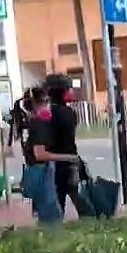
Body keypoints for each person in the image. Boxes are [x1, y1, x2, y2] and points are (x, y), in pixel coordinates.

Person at [20, 87, 73, 225]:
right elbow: (40, 154)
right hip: (42, 172)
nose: (49, 105)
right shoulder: (40, 124)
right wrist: (68, 157)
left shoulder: (30, 123)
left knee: (46, 214)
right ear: (40, 103)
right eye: (46, 101)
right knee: (51, 216)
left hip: (34, 171)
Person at [44, 74, 79, 215]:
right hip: (68, 158)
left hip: (52, 160)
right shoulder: (68, 112)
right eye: (69, 88)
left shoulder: (47, 113)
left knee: (57, 199)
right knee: (77, 194)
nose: (72, 91)